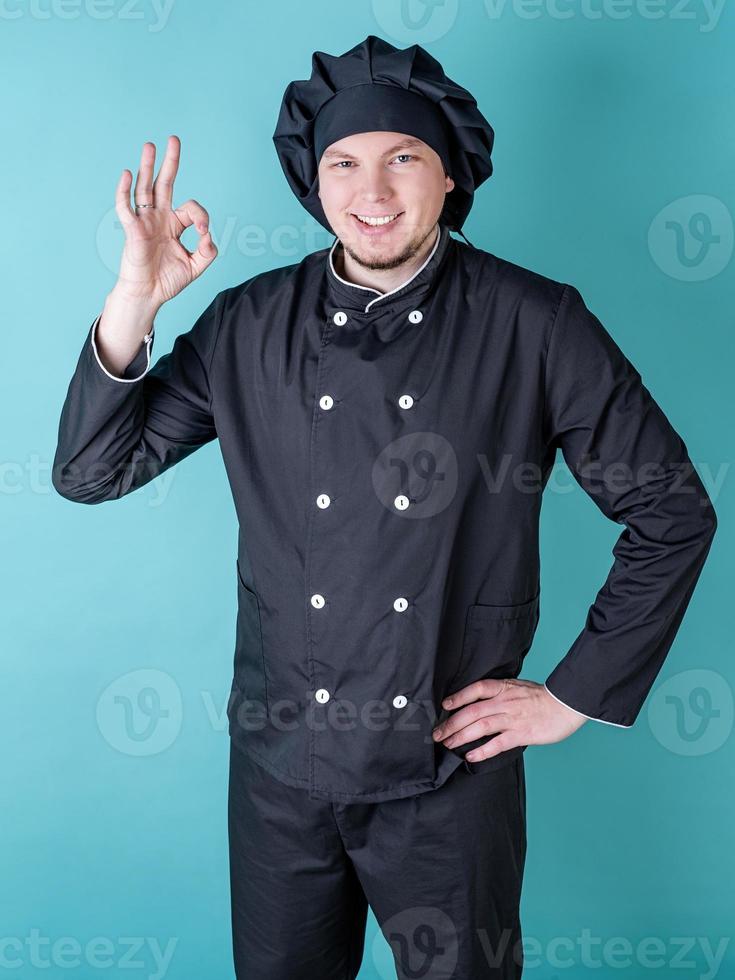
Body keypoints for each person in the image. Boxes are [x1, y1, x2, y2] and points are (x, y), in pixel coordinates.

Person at [52, 35, 717, 980]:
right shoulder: (249, 323)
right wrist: (134, 297)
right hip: (279, 771)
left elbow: (672, 511)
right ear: (313, 184)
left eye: (402, 157)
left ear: (449, 176)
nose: (372, 190)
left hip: (447, 777)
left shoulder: (534, 321)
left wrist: (572, 696)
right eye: (344, 163)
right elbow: (91, 469)